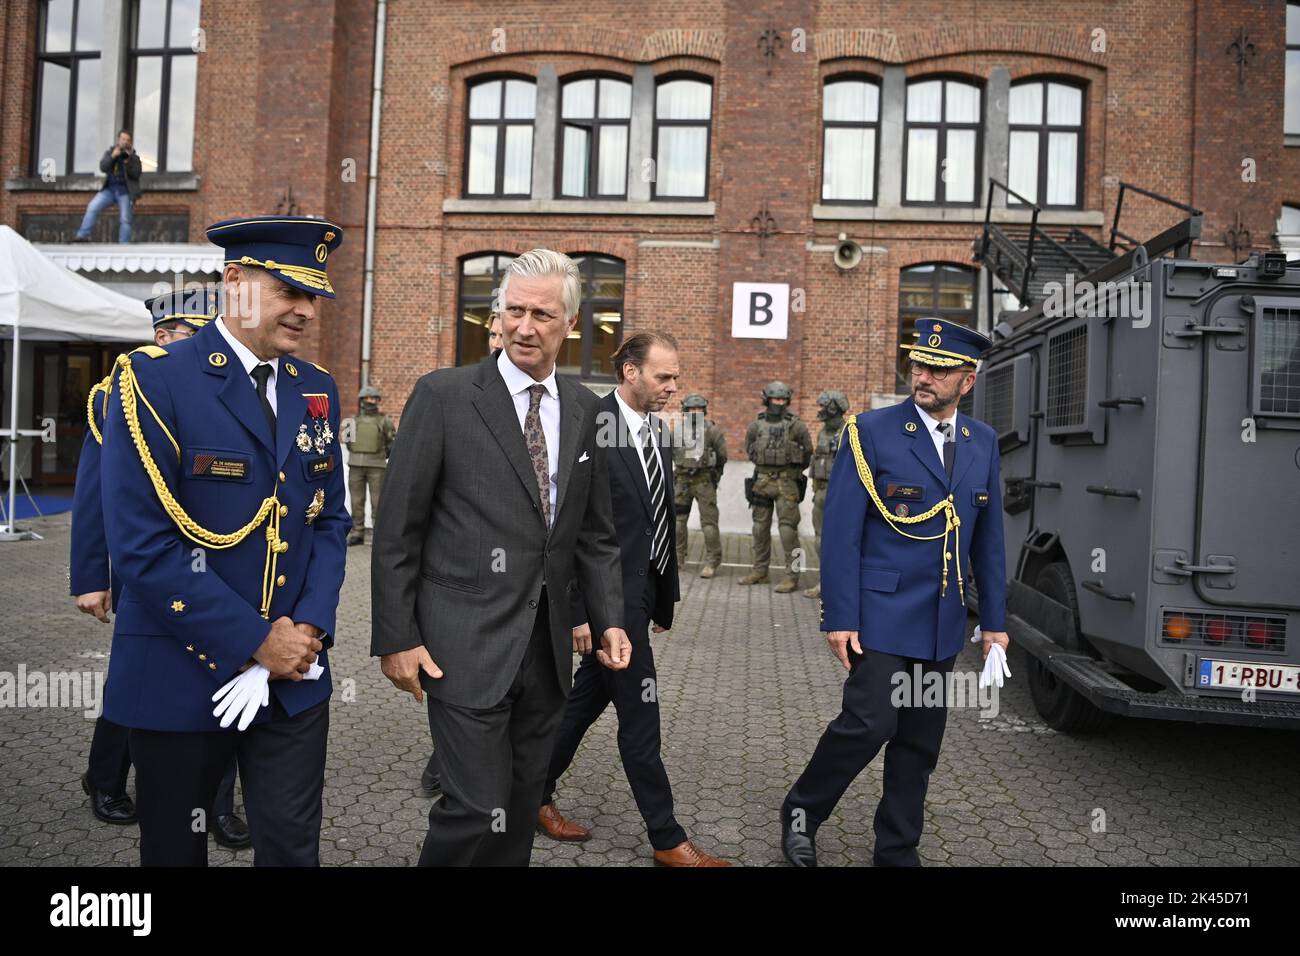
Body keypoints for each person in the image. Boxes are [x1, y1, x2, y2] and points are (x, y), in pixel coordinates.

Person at [98, 216, 350, 866]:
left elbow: (328, 520)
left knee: (293, 852)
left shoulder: (315, 388)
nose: (304, 310)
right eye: (288, 291)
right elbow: (142, 545)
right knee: (176, 854)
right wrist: (253, 640)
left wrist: (309, 629)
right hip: (179, 672)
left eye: (312, 296)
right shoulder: (155, 380)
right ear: (234, 282)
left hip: (293, 676)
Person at [372, 248, 630, 867]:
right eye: (513, 309)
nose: (524, 325)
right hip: (462, 645)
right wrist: (394, 638)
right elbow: (397, 529)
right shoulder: (444, 396)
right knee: (471, 806)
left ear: (570, 324)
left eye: (542, 313)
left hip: (545, 655)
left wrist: (610, 617)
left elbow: (594, 535)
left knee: (517, 805)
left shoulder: (590, 411)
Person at [780, 319, 1010, 867]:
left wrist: (995, 623)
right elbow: (841, 533)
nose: (923, 376)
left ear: (967, 382)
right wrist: (839, 616)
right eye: (918, 366)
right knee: (870, 722)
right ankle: (801, 813)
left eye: (938, 369)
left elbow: (991, 540)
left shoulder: (984, 442)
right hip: (880, 611)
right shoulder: (872, 431)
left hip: (942, 620)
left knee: (919, 739)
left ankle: (897, 846)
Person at [537, 333, 729, 867]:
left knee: (582, 705)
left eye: (675, 376)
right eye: (664, 377)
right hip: (603, 604)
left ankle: (530, 793)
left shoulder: (659, 434)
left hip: (636, 600)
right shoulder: (587, 425)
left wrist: (658, 599)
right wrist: (579, 612)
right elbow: (568, 528)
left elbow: (653, 524)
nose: (674, 387)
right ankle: (667, 838)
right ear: (629, 371)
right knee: (641, 718)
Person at [72, 288, 251, 849]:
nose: (191, 345)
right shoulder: (122, 392)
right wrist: (91, 576)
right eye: (181, 335)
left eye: (201, 334)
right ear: (160, 335)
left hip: (217, 568)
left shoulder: (230, 391)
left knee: (224, 685)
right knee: (141, 684)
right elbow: (96, 490)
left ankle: (216, 806)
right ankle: (105, 779)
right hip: (145, 568)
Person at [740, 381, 812, 593]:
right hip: (762, 482)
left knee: (788, 531)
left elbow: (808, 452)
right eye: (775, 399)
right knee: (759, 529)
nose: (779, 403)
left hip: (786, 483)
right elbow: (749, 449)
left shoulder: (796, 425)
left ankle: (793, 576)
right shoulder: (756, 425)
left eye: (782, 400)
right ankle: (759, 571)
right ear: (767, 400)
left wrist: (792, 471)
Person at [672, 394, 727, 578]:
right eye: (691, 410)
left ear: (704, 411)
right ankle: (678, 559)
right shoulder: (677, 431)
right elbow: (670, 455)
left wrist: (714, 477)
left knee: (709, 524)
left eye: (698, 410)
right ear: (685, 411)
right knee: (678, 523)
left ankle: (712, 561)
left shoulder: (712, 431)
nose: (695, 413)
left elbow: (722, 456)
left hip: (704, 482)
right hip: (682, 482)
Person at [803, 390, 849, 600]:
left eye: (823, 407)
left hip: (840, 497)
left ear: (833, 409)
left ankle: (839, 585)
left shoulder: (849, 433)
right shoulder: (823, 432)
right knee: (820, 541)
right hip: (821, 493)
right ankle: (824, 583)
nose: (820, 411)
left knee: (842, 542)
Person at [345, 386, 396, 546]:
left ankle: (378, 534)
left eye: (373, 398)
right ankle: (357, 532)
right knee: (356, 501)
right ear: (362, 400)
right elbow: (348, 443)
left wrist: (382, 457)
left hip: (377, 466)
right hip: (355, 466)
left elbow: (392, 443)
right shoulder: (352, 421)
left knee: (378, 502)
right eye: (367, 398)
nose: (370, 401)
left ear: (377, 401)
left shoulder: (385, 421)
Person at [73, 130, 142, 244]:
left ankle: (123, 244)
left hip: (125, 192)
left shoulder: (134, 158)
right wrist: (113, 156)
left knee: (125, 219)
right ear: (118, 140)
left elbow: (136, 174)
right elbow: (103, 167)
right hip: (109, 190)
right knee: (92, 207)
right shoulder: (110, 152)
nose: (125, 142)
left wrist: (127, 162)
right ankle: (82, 236)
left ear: (130, 142)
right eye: (123, 139)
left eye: (128, 140)